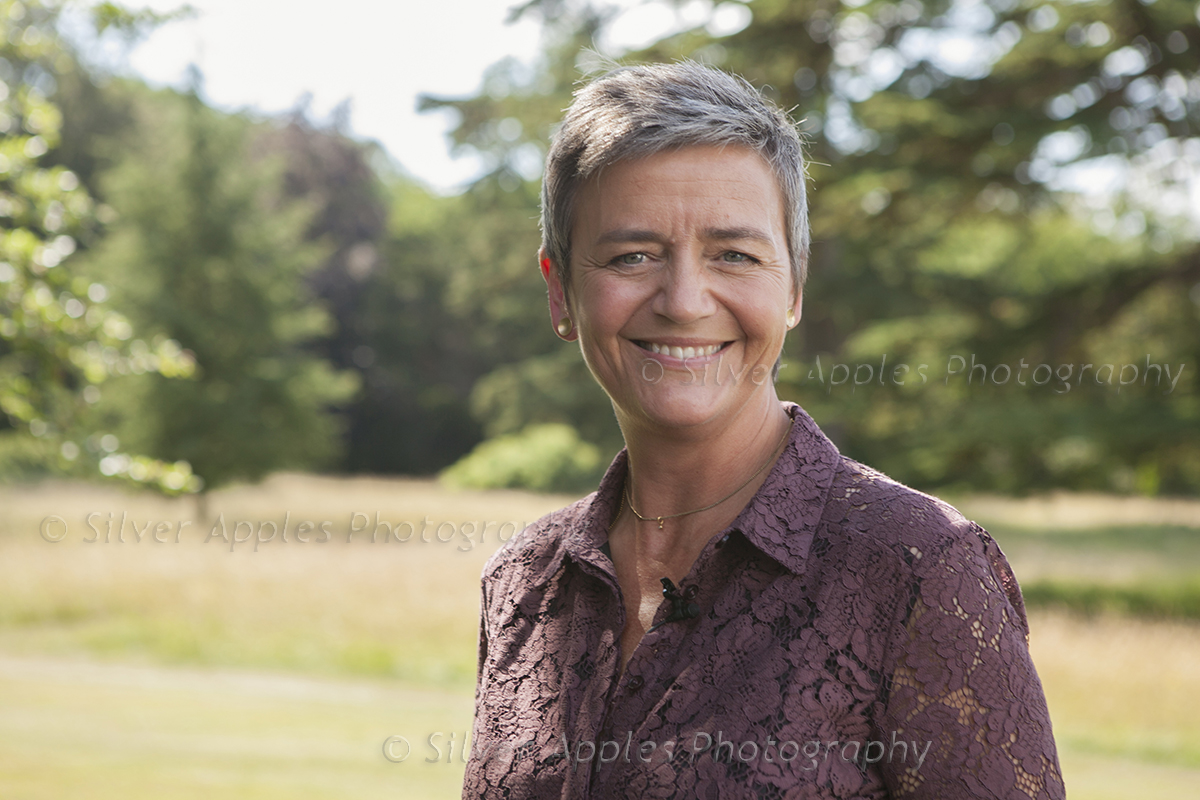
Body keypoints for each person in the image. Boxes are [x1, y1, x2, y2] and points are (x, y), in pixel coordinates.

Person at [461, 61, 1065, 800]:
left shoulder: (917, 568)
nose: (684, 301)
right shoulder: (524, 582)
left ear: (794, 287)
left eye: (734, 255)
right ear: (560, 292)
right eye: (633, 256)